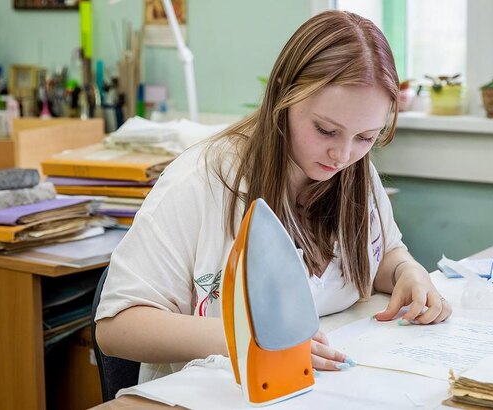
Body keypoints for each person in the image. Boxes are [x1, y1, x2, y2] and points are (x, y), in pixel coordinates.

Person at [94, 10, 452, 383]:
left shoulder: (354, 173)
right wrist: (247, 339)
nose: (343, 155)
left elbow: (381, 254)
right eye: (325, 130)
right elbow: (117, 327)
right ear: (283, 91)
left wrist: (407, 272)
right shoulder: (200, 180)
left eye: (366, 137)